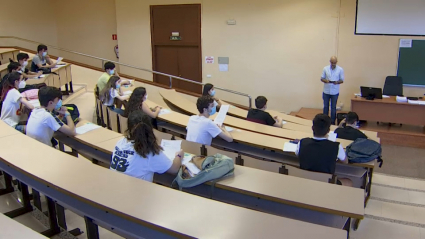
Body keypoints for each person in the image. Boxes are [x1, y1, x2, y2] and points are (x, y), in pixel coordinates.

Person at [110, 110, 183, 182]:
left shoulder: (121, 142)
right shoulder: (148, 152)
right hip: (135, 192)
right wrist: (179, 156)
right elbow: (174, 169)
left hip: (116, 187)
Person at [295, 114, 352, 186]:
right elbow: (345, 161)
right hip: (326, 183)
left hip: (306, 180)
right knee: (349, 181)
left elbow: (298, 154)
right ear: (328, 131)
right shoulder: (336, 146)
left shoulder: (302, 142)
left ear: (312, 128)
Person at [321, 56, 344, 125]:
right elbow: (322, 78)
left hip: (335, 91)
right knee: (325, 106)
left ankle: (332, 122)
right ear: (330, 61)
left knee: (333, 107)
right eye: (332, 62)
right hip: (326, 91)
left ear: (336, 62)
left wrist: (337, 82)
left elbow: (342, 80)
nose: (333, 64)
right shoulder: (325, 68)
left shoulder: (340, 69)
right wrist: (326, 80)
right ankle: (324, 121)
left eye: (334, 62)